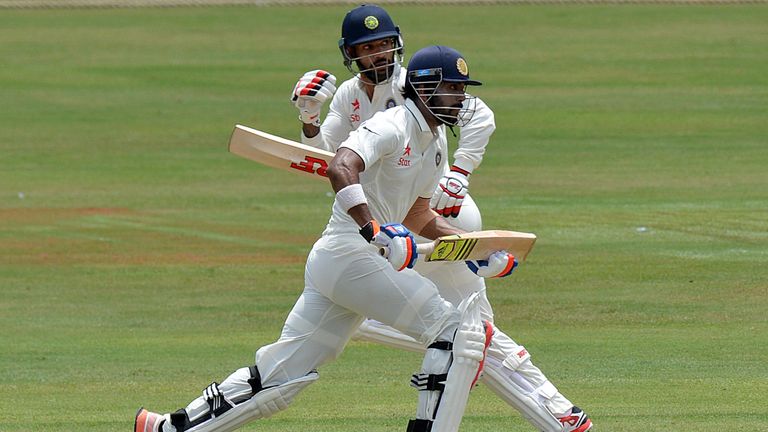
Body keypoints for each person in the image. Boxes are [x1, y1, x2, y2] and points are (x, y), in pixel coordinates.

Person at [135, 46, 520, 432]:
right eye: (452, 88)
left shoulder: (435, 144)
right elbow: (340, 166)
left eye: (461, 89)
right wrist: (374, 228)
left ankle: (168, 427)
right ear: (424, 88)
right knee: (454, 335)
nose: (461, 98)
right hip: (351, 253)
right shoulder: (391, 124)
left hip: (347, 264)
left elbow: (418, 215)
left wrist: (475, 245)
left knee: (279, 377)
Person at [289, 4, 592, 432]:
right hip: (381, 225)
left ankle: (556, 412)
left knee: (473, 330)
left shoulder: (418, 78)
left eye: (382, 46)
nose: (377, 55)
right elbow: (332, 164)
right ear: (350, 55)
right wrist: (308, 118)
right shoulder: (348, 97)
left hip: (440, 214)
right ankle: (555, 412)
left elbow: (478, 114)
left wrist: (460, 173)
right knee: (464, 335)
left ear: (397, 45)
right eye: (366, 49)